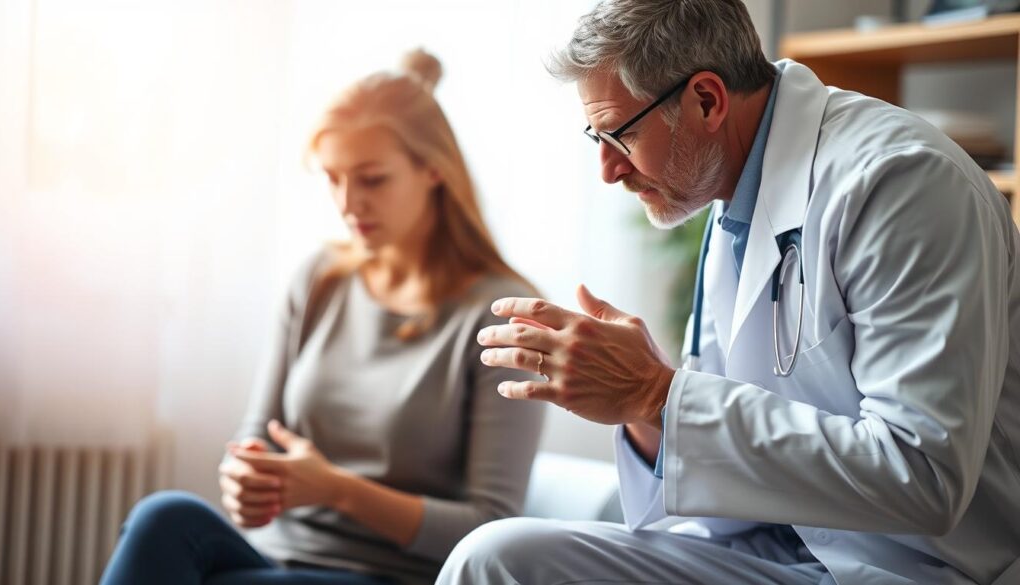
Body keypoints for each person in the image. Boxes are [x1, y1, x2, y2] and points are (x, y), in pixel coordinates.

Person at [436, 1, 1020, 584]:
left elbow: (922, 477)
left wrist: (655, 394)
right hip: (777, 548)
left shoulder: (902, 182)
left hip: (917, 568)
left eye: (620, 134)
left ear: (708, 100)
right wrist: (641, 413)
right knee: (495, 556)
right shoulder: (732, 199)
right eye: (597, 137)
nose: (608, 171)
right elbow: (728, 440)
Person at [100, 49, 545, 585]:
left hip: (390, 574)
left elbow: (492, 528)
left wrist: (336, 489)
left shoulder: (502, 315)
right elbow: (259, 435)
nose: (347, 202)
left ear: (434, 170)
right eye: (332, 178)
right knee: (162, 517)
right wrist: (246, 481)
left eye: (371, 180)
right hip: (273, 555)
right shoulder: (320, 279)